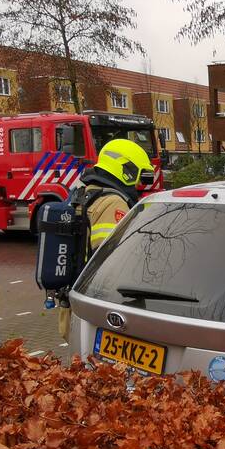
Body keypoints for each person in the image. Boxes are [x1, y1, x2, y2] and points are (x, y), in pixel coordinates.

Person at [56, 138, 155, 339]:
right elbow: (112, 261)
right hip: (98, 310)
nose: (138, 185)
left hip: (74, 301)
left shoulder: (82, 194)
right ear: (125, 170)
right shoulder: (112, 203)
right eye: (138, 177)